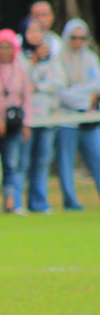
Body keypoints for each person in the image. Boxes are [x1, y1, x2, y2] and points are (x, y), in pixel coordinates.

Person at [0, 29, 33, 214]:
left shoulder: (21, 69)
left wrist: (26, 123)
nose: (4, 51)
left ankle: (9, 201)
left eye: (8, 47)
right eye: (0, 47)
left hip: (13, 124)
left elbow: (26, 98)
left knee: (11, 163)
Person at [17, 17, 66, 213]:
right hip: (27, 118)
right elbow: (20, 82)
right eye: (30, 31)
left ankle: (38, 202)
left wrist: (38, 86)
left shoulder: (52, 56)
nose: (35, 35)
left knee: (42, 161)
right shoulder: (19, 56)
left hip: (46, 115)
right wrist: (34, 60)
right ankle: (17, 203)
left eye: (38, 31)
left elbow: (59, 81)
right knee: (23, 161)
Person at [54, 19, 100, 210]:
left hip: (89, 118)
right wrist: (85, 97)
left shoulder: (90, 58)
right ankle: (70, 201)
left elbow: (97, 84)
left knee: (97, 157)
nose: (78, 41)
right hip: (67, 119)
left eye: (82, 38)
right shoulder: (59, 59)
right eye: (74, 37)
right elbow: (60, 92)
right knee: (66, 162)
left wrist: (79, 93)